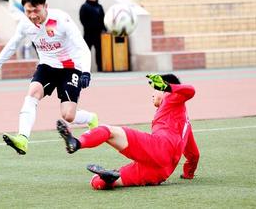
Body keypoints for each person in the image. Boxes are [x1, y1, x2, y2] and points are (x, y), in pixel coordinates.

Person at [0, 0, 98, 155]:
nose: (33, 15)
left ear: (45, 7)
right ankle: (22, 139)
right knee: (32, 93)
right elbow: (13, 44)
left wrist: (86, 72)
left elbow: (82, 46)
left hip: (70, 67)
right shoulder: (25, 24)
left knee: (68, 116)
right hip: (47, 66)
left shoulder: (60, 19)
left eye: (37, 11)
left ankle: (90, 118)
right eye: (28, 11)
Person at [57, 73, 200, 189]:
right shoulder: (184, 121)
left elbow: (191, 90)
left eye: (155, 89)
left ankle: (76, 142)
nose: (152, 94)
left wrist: (168, 87)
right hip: (161, 171)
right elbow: (194, 155)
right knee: (97, 182)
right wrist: (188, 174)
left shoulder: (171, 98)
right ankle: (110, 177)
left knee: (107, 130)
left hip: (158, 147)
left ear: (164, 90)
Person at [79, 0, 106, 72]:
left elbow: (103, 19)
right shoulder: (84, 7)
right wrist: (91, 27)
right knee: (86, 53)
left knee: (99, 52)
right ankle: (85, 70)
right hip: (88, 34)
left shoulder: (99, 7)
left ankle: (100, 68)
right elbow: (82, 20)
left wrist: (104, 29)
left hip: (98, 34)